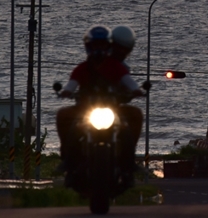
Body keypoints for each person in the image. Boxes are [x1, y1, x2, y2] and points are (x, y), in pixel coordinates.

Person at [55, 24, 145, 176]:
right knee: (63, 115)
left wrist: (137, 90)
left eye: (102, 45)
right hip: (85, 109)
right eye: (95, 45)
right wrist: (65, 92)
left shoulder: (116, 66)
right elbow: (72, 84)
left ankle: (129, 160)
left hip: (113, 109)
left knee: (136, 115)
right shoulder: (83, 67)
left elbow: (128, 81)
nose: (99, 49)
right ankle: (67, 158)